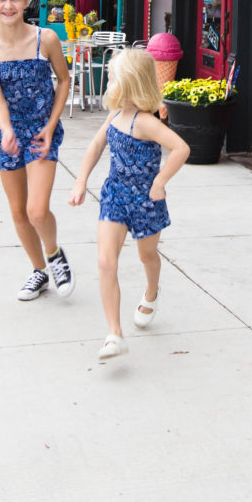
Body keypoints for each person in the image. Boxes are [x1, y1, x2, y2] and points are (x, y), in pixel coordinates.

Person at [69, 49, 190, 360]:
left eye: (111, 76)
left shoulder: (146, 122)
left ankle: (152, 293)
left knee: (146, 254)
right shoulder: (115, 115)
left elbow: (181, 148)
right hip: (115, 196)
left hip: (146, 200)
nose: (108, 80)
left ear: (129, 83)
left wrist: (160, 182)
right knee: (106, 262)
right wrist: (81, 181)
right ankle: (114, 334)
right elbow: (97, 144)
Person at [0, 0, 74, 301]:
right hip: (6, 134)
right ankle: (39, 272)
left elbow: (64, 81)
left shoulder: (45, 39)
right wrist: (5, 130)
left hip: (41, 133)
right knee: (18, 211)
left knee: (36, 210)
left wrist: (51, 124)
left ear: (26, 1)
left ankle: (54, 254)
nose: (8, 5)